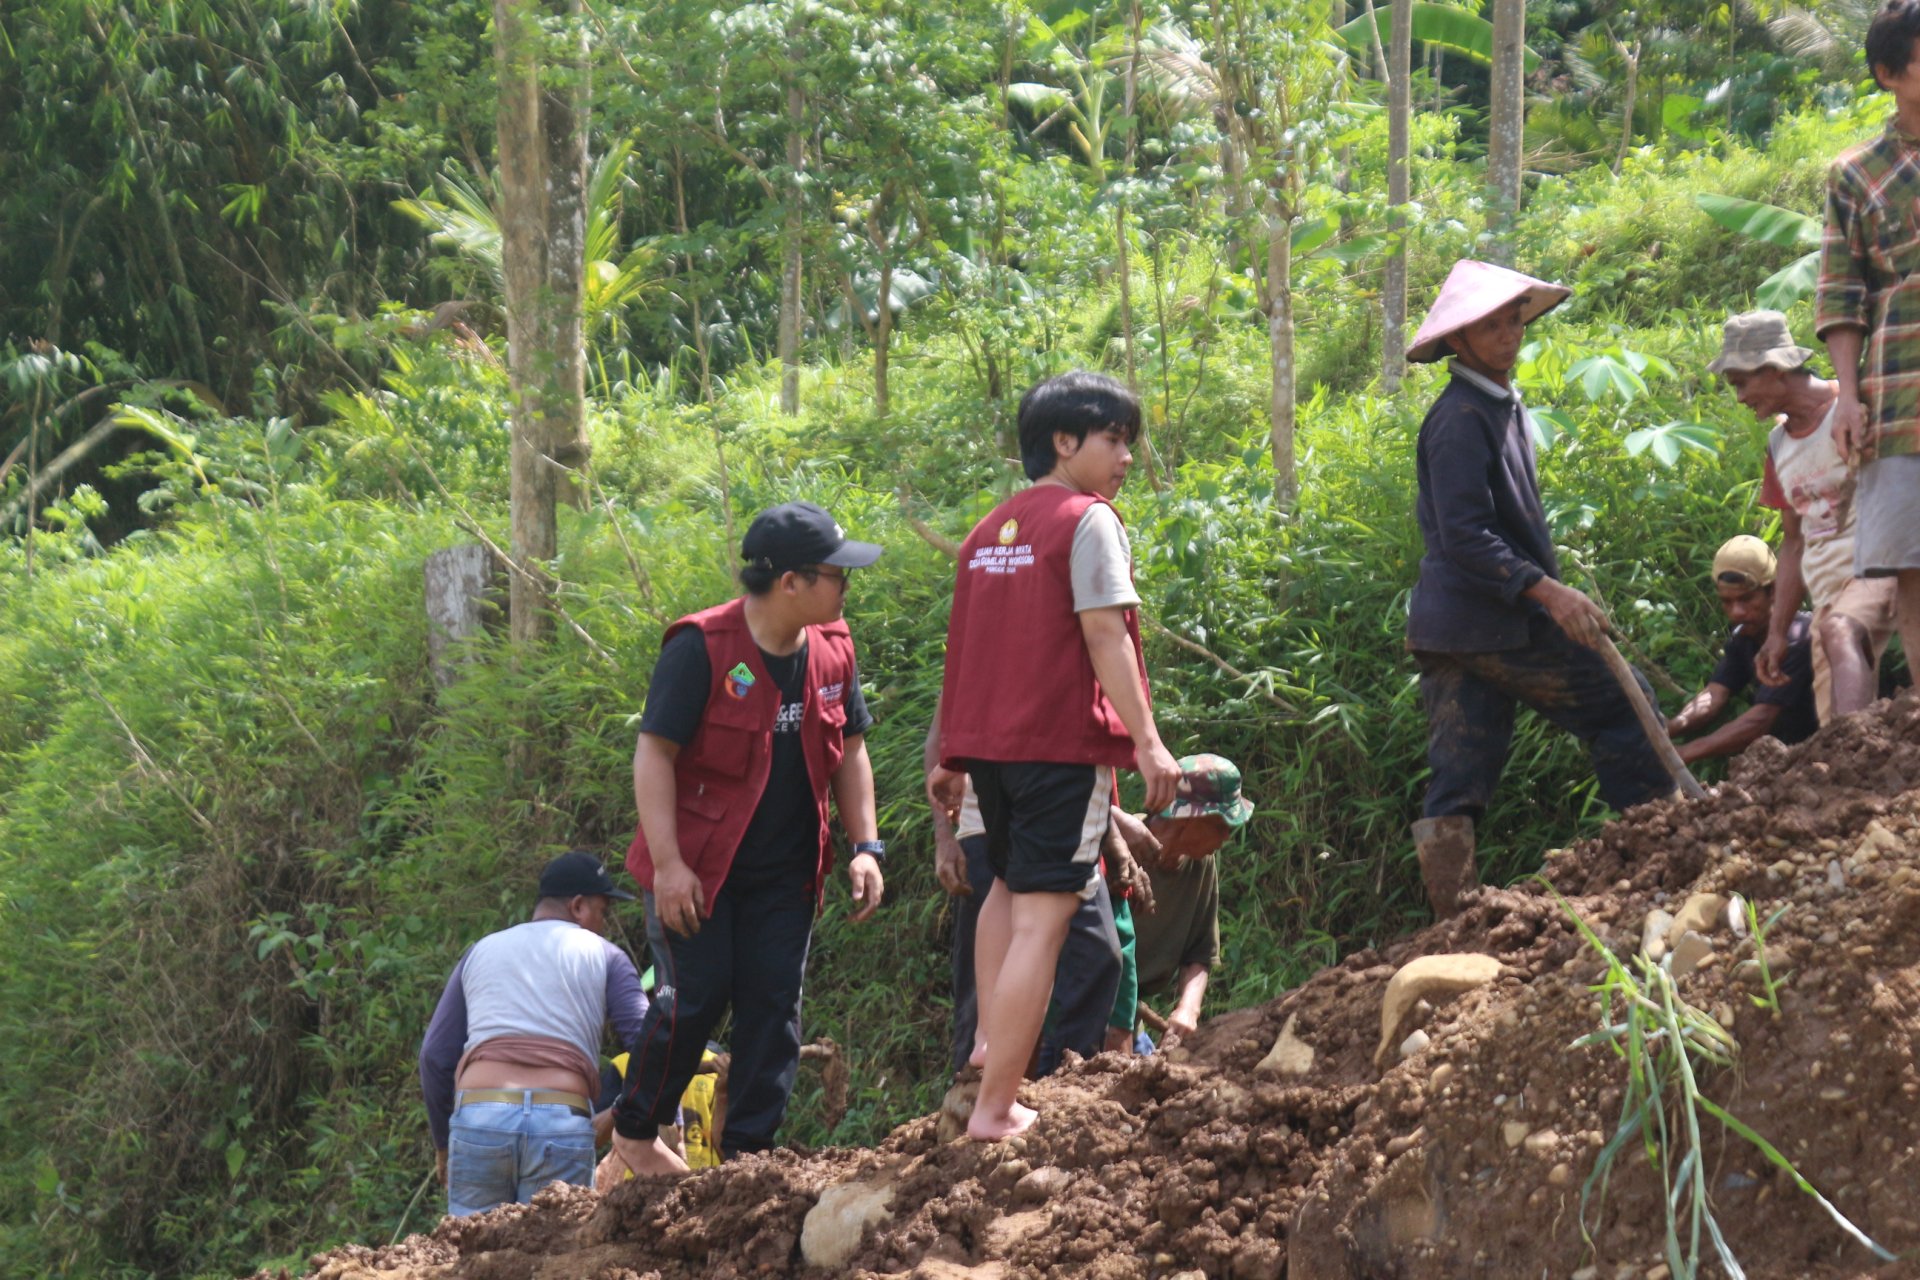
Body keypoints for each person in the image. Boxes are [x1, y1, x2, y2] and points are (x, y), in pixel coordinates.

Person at [929, 370, 1180, 1141]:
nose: (1126, 458)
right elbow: (1105, 635)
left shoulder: (987, 532)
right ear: (1064, 442)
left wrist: (949, 753)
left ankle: (983, 1047)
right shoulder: (1087, 520)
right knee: (1046, 917)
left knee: (1002, 894)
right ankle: (997, 1107)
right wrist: (1147, 743)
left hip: (990, 754)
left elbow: (965, 649)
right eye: (1114, 440)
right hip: (1055, 747)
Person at [610, 502, 886, 1176]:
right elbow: (654, 757)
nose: (846, 585)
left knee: (773, 1009)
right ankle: (636, 1130)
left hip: (785, 875)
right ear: (790, 582)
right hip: (700, 871)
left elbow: (849, 752)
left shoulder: (832, 649)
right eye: (834, 574)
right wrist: (669, 866)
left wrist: (865, 845)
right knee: (692, 999)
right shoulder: (702, 649)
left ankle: (748, 1162)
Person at [1405, 260, 1673, 918]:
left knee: (1461, 771)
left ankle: (1455, 916)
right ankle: (1663, 856)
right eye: (1488, 326)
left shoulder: (1494, 405)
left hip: (1453, 627)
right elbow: (1464, 535)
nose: (1507, 336)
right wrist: (1548, 593)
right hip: (1488, 619)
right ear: (1458, 341)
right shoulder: (1460, 419)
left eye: (1512, 320)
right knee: (1620, 705)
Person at [418, 851, 650, 1216]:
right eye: (602, 912)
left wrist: (444, 1144)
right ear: (577, 906)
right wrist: (626, 1110)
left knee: (471, 1260)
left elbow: (435, 1056)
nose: (603, 924)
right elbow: (647, 1041)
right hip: (560, 1123)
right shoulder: (607, 956)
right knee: (556, 1259)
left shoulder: (481, 951)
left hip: (481, 1119)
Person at [1708, 311, 1896, 721]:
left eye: (1741, 383)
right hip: (1829, 592)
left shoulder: (1855, 402)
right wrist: (1777, 633)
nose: (1740, 397)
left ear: (1775, 370)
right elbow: (1794, 543)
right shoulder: (1779, 446)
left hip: (1883, 564)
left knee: (1839, 632)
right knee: (1835, 721)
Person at [1818, 1, 1920, 693]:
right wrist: (1848, 398)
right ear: (1889, 72)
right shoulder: (1856, 172)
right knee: (1914, 563)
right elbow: (1841, 293)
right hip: (1901, 393)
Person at [926, 756, 1126, 1080]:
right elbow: (947, 726)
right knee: (995, 981)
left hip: (1069, 817)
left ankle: (1062, 1091)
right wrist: (943, 834)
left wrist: (1109, 833)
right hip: (995, 820)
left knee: (1097, 956)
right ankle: (975, 1095)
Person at [1122, 754, 1254, 1041]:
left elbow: (1200, 951)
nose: (1227, 838)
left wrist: (1188, 1009)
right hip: (1079, 1006)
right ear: (1190, 818)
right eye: (1223, 826)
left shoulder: (1202, 864)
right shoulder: (1120, 848)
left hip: (1129, 1017)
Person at [1666, 537, 1818, 763]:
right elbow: (1714, 695)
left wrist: (1684, 753)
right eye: (1727, 602)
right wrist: (1669, 729)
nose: (1736, 612)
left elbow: (1761, 719)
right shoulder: (1744, 637)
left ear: (1774, 591)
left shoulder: (1797, 637)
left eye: (1746, 599)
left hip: (1827, 754)